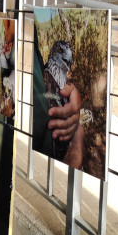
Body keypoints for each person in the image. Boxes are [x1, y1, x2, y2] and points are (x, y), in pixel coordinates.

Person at [32, 38, 83, 169]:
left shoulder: (56, 76)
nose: (67, 56)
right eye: (61, 51)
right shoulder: (48, 75)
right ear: (54, 51)